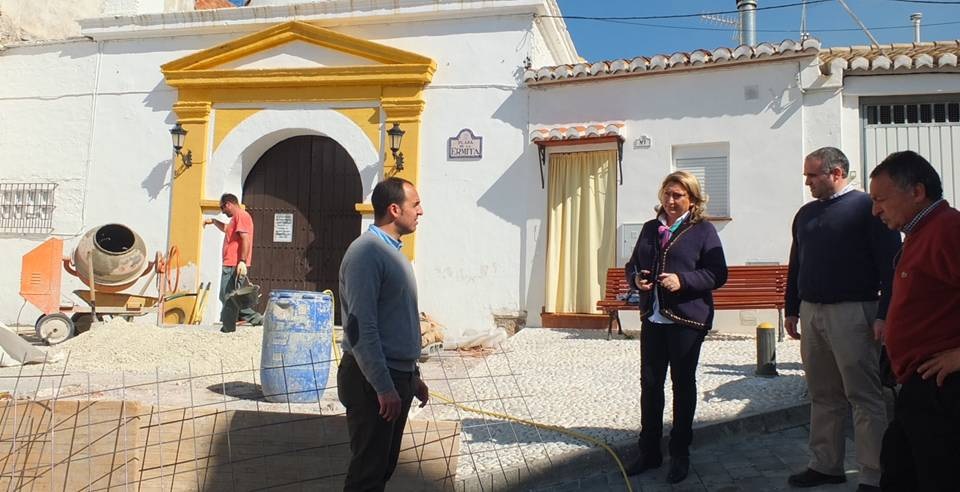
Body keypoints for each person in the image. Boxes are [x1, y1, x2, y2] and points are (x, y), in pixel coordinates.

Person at [784, 147, 901, 492]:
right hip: (812, 311)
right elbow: (797, 263)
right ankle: (825, 465)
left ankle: (872, 474)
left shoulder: (868, 209)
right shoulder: (805, 214)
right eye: (806, 175)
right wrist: (791, 308)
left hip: (854, 312)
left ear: (836, 173)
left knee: (863, 395)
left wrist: (884, 314)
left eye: (812, 175)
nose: (807, 182)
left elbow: (889, 264)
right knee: (822, 393)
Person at [624, 170, 728, 484]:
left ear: (692, 200)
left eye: (678, 196)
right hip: (654, 318)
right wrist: (637, 279)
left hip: (686, 319)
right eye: (667, 194)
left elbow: (717, 273)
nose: (671, 201)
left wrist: (683, 280)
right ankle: (649, 451)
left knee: (683, 385)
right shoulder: (650, 228)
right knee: (650, 384)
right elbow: (632, 264)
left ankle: (680, 452)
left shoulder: (703, 231)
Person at [868, 151, 960, 491]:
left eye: (881, 199)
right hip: (919, 389)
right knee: (898, 469)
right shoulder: (922, 233)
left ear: (917, 192)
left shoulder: (949, 230)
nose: (875, 209)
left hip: (943, 391)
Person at [337, 177, 430, 491]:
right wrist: (383, 385)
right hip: (372, 380)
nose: (421, 211)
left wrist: (411, 375)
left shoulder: (391, 252)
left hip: (395, 375)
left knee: (381, 469)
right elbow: (361, 326)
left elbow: (393, 319)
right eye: (415, 204)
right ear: (394, 209)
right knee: (368, 474)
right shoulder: (367, 253)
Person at [203, 193, 263, 333]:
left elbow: (245, 239)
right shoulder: (235, 219)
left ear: (228, 204)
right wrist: (213, 221)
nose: (223, 211)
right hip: (231, 264)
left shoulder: (242, 216)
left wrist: (242, 261)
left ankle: (231, 325)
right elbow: (227, 230)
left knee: (228, 296)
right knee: (229, 296)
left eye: (222, 208)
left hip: (234, 264)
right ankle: (246, 321)